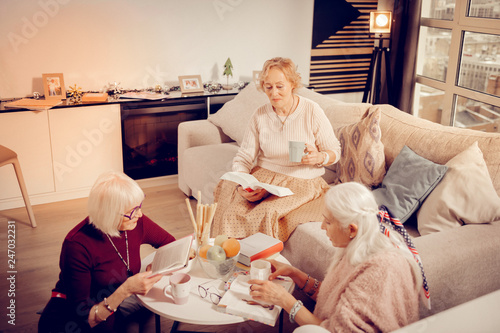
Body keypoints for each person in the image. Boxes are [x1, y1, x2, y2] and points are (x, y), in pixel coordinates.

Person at [247, 182, 423, 332]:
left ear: (351, 229)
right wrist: (295, 274)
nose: (322, 227)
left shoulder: (380, 270)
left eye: (329, 222)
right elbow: (335, 298)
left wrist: (283, 299)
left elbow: (334, 330)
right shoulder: (359, 247)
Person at [212, 57, 341, 241]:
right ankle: (227, 259)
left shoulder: (312, 110)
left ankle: (261, 264)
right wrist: (244, 182)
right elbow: (244, 157)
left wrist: (319, 157)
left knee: (268, 212)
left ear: (292, 84)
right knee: (231, 205)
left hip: (301, 180)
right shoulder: (260, 114)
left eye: (280, 86)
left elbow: (335, 150)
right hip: (264, 178)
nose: (274, 93)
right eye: (268, 86)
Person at [38, 171, 176, 333]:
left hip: (116, 302)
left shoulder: (136, 222)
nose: (140, 214)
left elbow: (170, 244)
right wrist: (126, 289)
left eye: (139, 206)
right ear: (108, 214)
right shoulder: (76, 245)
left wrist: (156, 268)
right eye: (133, 210)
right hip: (77, 318)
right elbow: (84, 318)